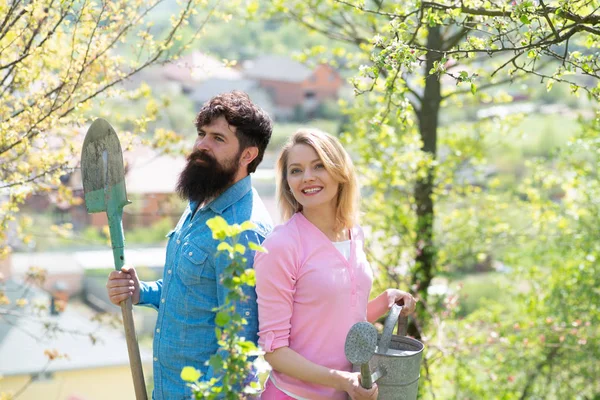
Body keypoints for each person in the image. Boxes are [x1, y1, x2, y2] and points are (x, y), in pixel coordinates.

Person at [105, 91, 274, 400]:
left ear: (248, 155)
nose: (201, 145)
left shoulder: (244, 231)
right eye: (201, 134)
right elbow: (190, 290)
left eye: (218, 138)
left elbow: (238, 345)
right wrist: (141, 291)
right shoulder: (200, 201)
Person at [254, 129, 416, 400]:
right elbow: (274, 352)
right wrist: (342, 381)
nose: (307, 177)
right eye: (296, 170)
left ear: (339, 171)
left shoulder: (355, 234)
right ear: (287, 183)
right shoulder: (281, 245)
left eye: (319, 166)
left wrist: (385, 302)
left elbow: (337, 317)